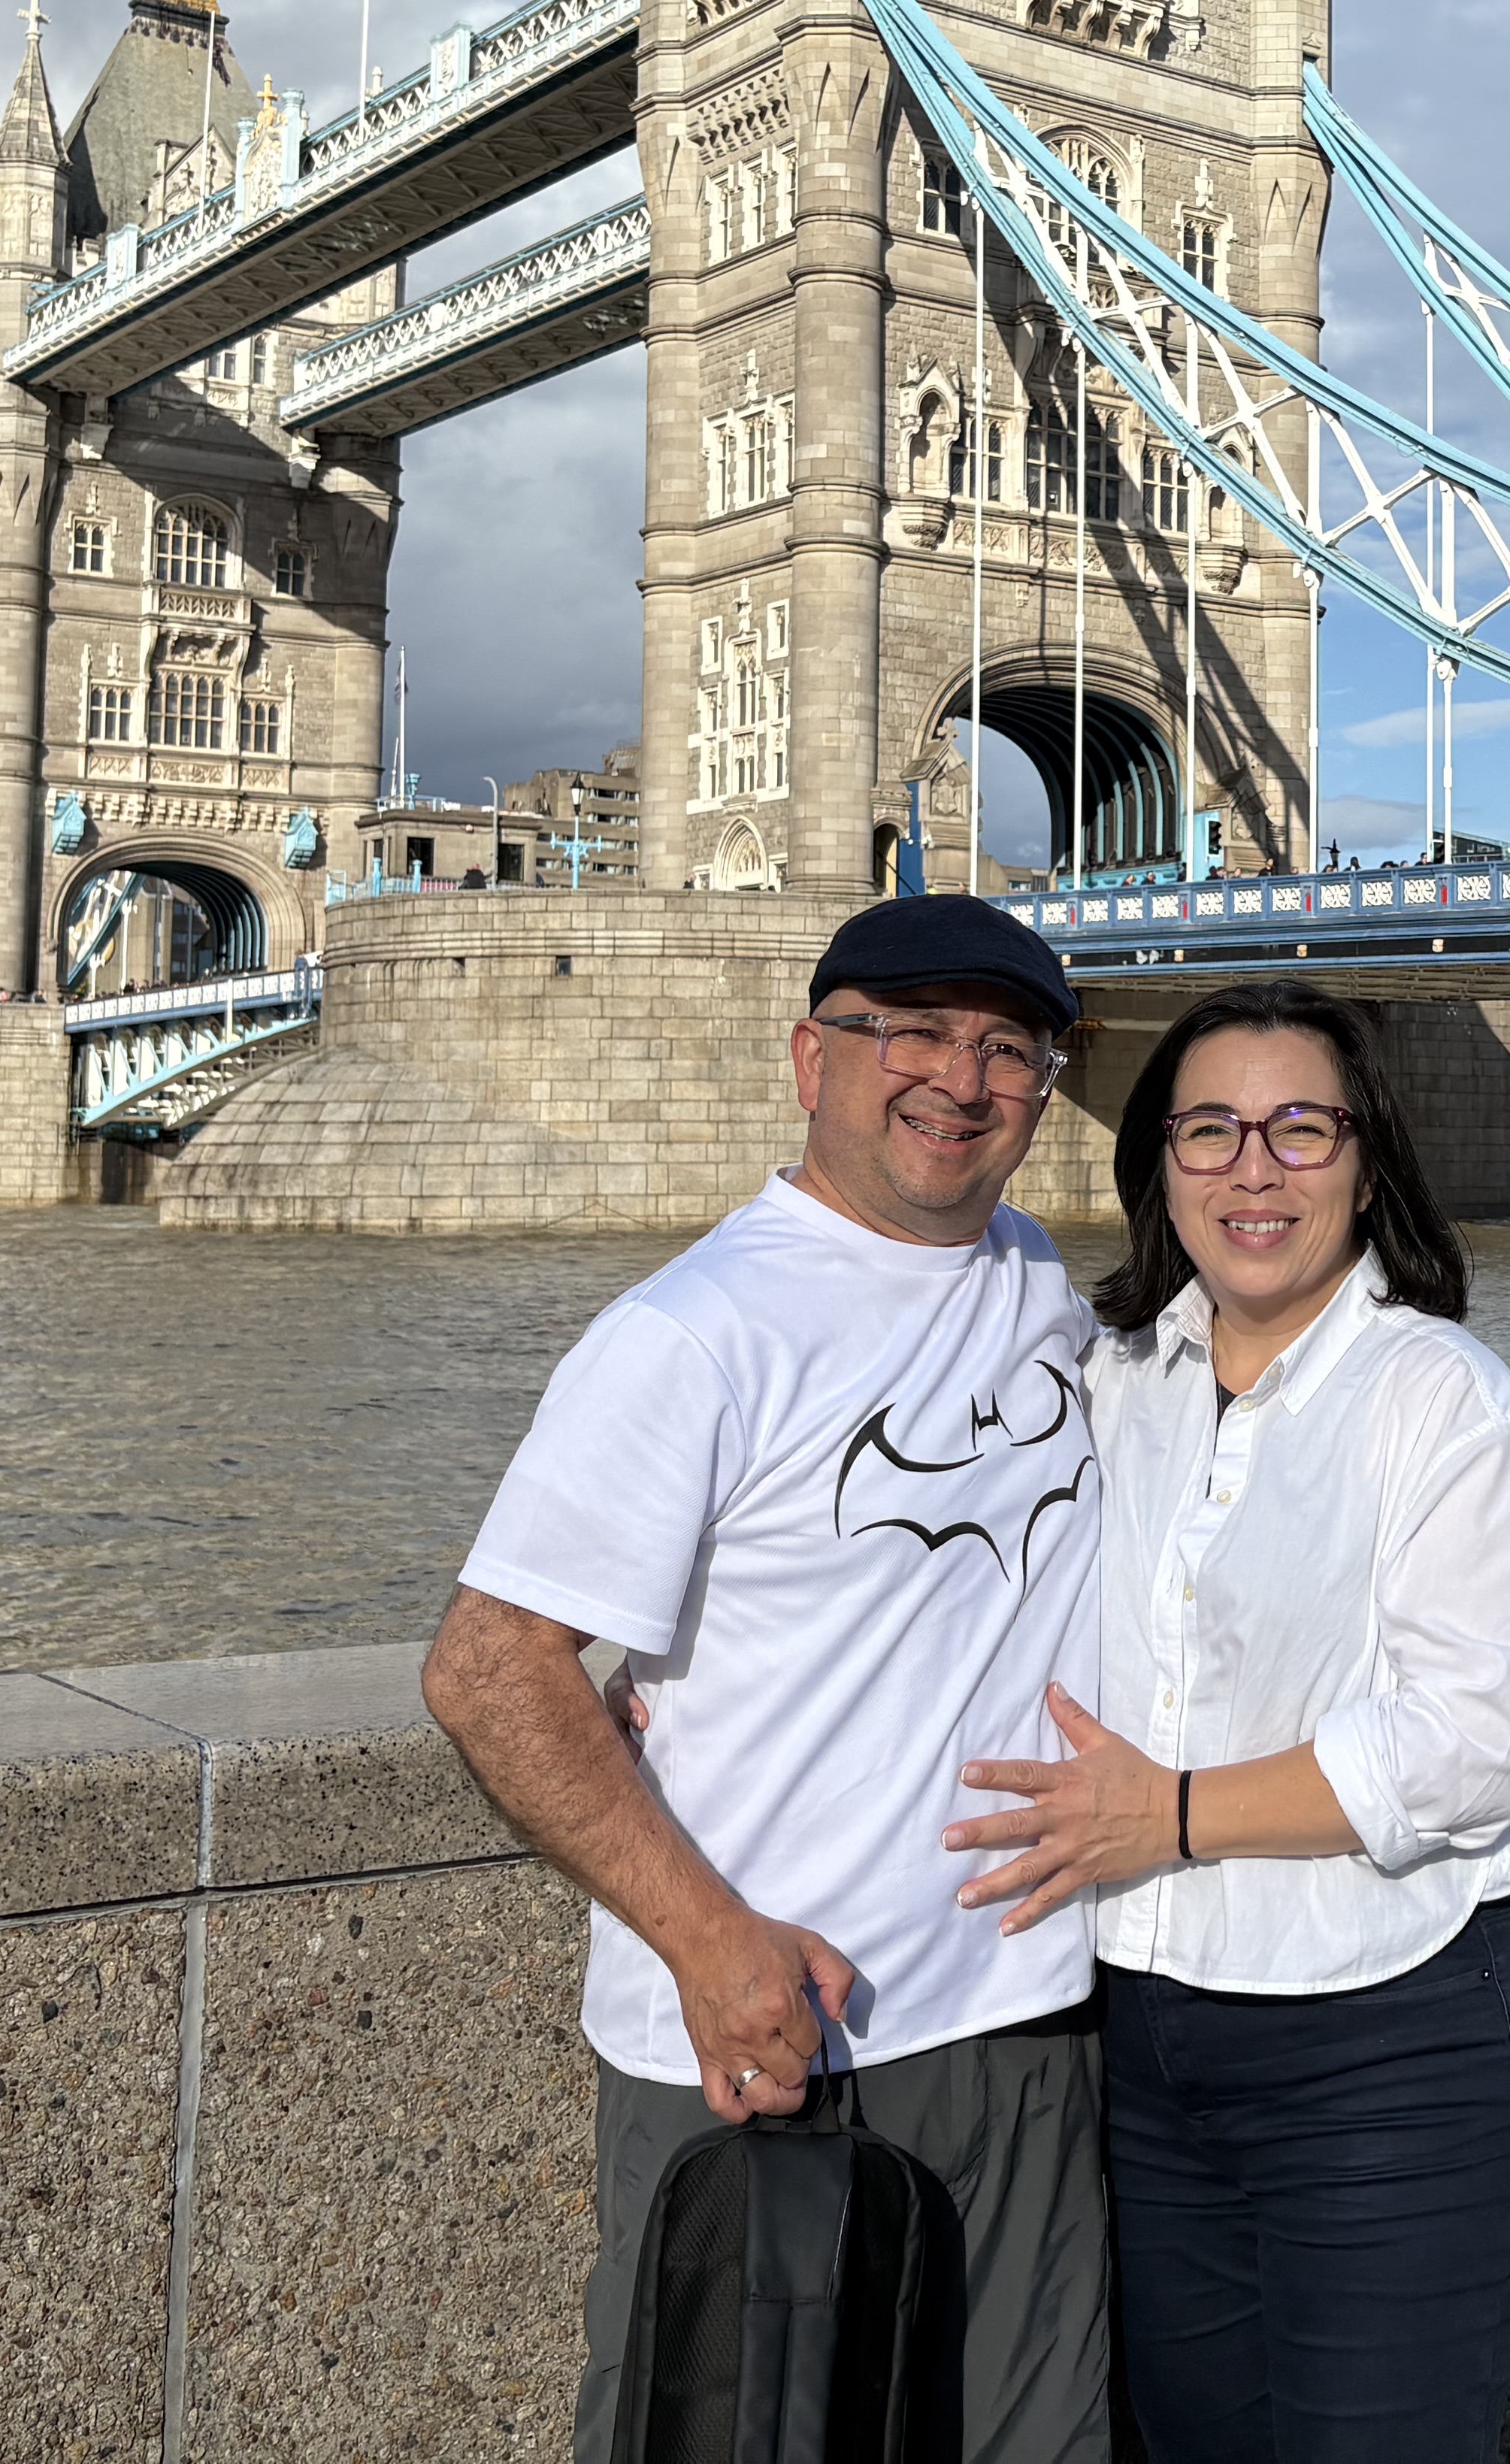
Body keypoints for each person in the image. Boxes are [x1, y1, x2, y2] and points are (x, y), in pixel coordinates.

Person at [422, 891, 1112, 2464]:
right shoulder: (693, 1331)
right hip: (773, 2041)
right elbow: (490, 1667)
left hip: (1022, 2024)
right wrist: (708, 1941)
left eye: (1009, 1050)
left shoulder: (1037, 1281)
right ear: (812, 1058)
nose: (961, 1080)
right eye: (910, 1035)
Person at [940, 978, 1510, 2464]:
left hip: (1391, 2048)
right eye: (1210, 1131)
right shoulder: (1100, 1380)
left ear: (1367, 1161)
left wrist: (1166, 1816)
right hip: (1141, 2046)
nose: (1254, 1170)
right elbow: (938, 1556)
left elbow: (1478, 1743)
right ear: (1159, 1165)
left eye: (1301, 1130)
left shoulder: (1446, 1403)